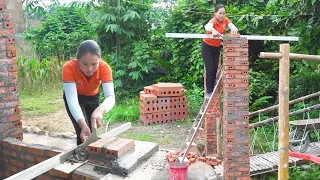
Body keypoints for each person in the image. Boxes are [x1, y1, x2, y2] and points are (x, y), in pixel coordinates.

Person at [62, 40, 115, 145]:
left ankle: (93, 156)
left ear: (99, 60)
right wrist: (82, 125)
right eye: (85, 64)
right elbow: (72, 100)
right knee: (82, 131)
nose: (90, 69)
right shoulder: (69, 68)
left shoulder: (105, 68)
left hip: (93, 97)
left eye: (94, 64)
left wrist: (100, 111)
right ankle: (80, 157)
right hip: (75, 97)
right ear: (77, 60)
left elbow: (110, 96)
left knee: (92, 129)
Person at [202, 4, 238, 98]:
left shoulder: (226, 20)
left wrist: (234, 30)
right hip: (207, 47)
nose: (222, 15)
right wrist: (213, 30)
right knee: (210, 69)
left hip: (216, 47)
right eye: (220, 13)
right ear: (215, 13)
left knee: (214, 69)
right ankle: (208, 92)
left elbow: (234, 27)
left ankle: (212, 89)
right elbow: (207, 27)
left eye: (223, 13)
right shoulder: (213, 21)